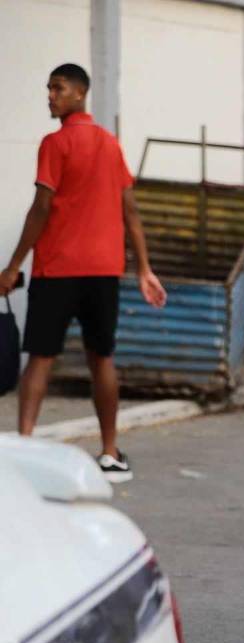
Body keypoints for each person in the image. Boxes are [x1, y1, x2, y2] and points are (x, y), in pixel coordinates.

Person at [0, 63, 166, 483]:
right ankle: (110, 453)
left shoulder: (55, 144)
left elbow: (41, 208)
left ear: (79, 93)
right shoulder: (110, 145)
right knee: (101, 358)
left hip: (57, 269)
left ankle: (25, 447)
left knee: (41, 357)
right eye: (49, 88)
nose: (50, 96)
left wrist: (15, 263)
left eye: (57, 88)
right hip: (103, 271)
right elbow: (131, 211)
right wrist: (144, 268)